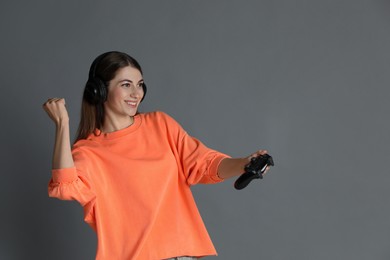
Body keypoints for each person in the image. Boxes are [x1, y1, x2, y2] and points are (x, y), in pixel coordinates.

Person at [43, 51, 271, 260]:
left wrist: (243, 164)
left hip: (183, 255)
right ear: (100, 90)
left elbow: (204, 163)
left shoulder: (160, 125)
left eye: (140, 85)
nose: (136, 93)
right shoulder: (89, 151)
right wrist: (62, 124)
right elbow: (65, 185)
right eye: (126, 84)